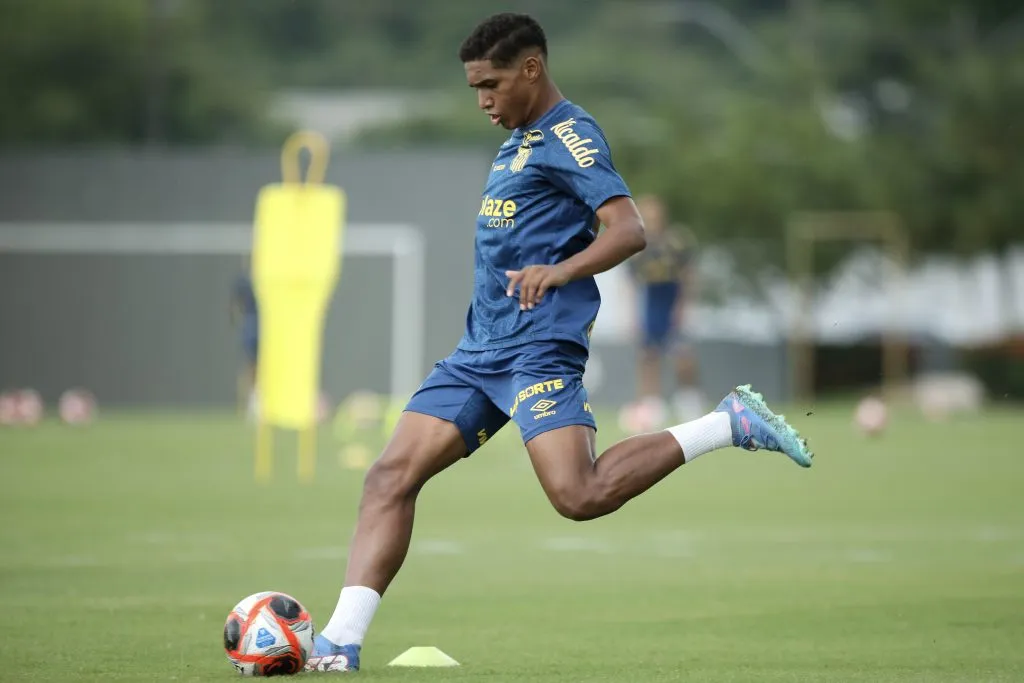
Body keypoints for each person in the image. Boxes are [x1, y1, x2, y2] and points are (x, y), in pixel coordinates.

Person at [305, 13, 813, 673]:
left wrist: (560, 270)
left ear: (532, 70)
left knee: (580, 495)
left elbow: (629, 230)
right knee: (388, 477)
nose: (482, 100)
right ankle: (338, 645)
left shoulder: (570, 135)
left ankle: (727, 422)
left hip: (539, 349)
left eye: (490, 84)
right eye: (473, 89)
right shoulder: (517, 137)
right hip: (478, 353)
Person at [626, 194, 704, 426]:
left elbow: (689, 275)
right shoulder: (638, 246)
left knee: (683, 355)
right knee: (648, 356)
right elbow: (632, 284)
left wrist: (683, 306)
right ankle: (651, 405)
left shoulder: (676, 242)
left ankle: (689, 400)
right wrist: (633, 316)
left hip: (672, 300)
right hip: (651, 303)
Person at [229, 268, 259, 419]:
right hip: (253, 327)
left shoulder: (268, 276)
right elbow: (235, 305)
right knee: (251, 366)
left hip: (263, 326)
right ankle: (248, 405)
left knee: (258, 367)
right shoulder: (244, 280)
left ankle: (254, 405)